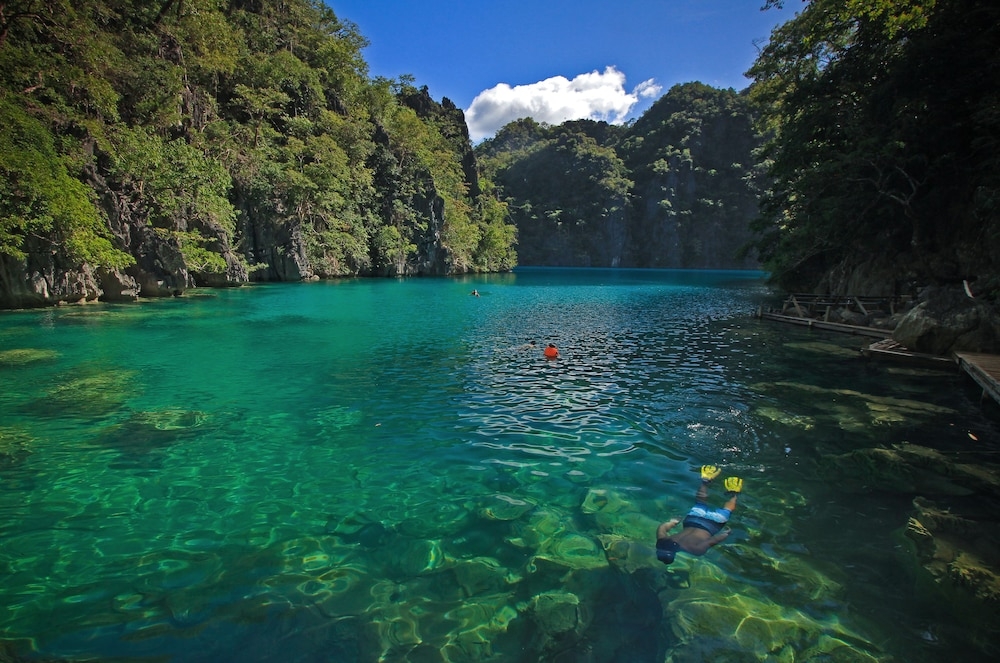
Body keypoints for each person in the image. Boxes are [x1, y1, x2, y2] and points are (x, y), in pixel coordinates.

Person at [655, 465, 742, 565]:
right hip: (692, 520)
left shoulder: (696, 550)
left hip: (711, 525)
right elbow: (661, 528)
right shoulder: (663, 541)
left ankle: (734, 494)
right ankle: (705, 482)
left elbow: (713, 540)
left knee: (727, 510)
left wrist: (725, 534)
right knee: (700, 502)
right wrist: (672, 522)